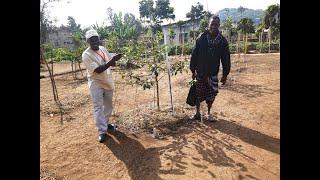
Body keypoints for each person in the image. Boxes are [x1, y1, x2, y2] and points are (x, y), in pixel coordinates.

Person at [82, 29, 122, 143]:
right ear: (87, 42)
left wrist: (116, 60)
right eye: (92, 41)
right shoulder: (86, 54)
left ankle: (106, 123)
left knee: (108, 105)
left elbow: (109, 61)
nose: (95, 42)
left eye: (96, 40)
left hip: (107, 80)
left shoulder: (103, 49)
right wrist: (112, 61)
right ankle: (102, 131)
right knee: (98, 106)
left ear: (98, 39)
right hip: (96, 82)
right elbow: (98, 70)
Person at [190, 15, 231, 122]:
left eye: (216, 24)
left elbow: (226, 58)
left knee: (211, 95)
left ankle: (208, 113)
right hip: (201, 72)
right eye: (212, 24)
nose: (214, 26)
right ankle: (197, 113)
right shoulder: (201, 38)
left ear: (219, 25)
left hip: (213, 73)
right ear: (208, 25)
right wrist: (192, 70)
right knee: (198, 93)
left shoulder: (222, 41)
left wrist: (225, 74)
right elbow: (194, 54)